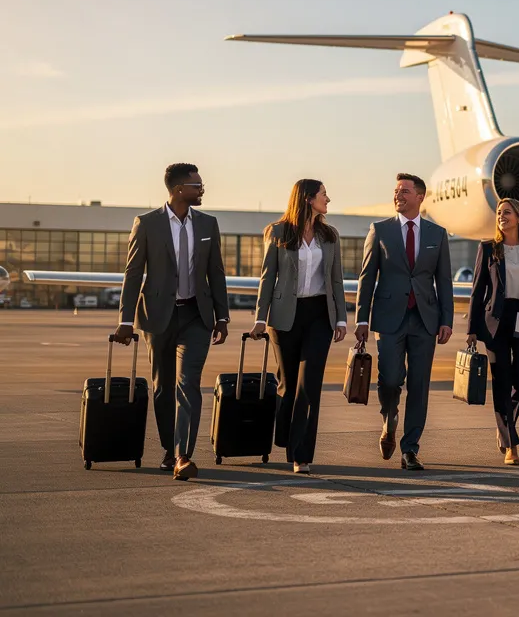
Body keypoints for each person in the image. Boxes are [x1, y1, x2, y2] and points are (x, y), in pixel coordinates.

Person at [110, 163, 229, 481]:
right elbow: (133, 273)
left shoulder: (208, 223)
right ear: (178, 190)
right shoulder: (147, 223)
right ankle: (169, 449)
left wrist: (222, 316)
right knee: (163, 388)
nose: (202, 190)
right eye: (197, 186)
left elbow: (215, 272)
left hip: (196, 316)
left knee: (188, 383)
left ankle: (182, 455)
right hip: (157, 316)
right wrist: (126, 321)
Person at [354, 173, 454, 472]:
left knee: (420, 385)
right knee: (390, 379)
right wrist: (361, 317)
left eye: (405, 191)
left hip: (425, 318)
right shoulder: (380, 230)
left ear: (420, 197)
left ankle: (410, 449)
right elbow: (366, 276)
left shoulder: (437, 234)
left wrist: (446, 320)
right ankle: (389, 417)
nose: (399, 195)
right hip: (389, 318)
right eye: (396, 191)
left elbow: (444, 281)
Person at [250, 180, 348, 474]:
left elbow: (336, 279)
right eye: (323, 195)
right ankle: (286, 436)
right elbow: (268, 277)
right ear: (308, 199)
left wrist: (341, 318)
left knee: (309, 385)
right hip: (284, 318)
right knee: (288, 385)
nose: (328, 198)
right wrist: (260, 317)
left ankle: (301, 455)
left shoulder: (330, 236)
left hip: (320, 315)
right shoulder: (278, 232)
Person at [465, 198, 519, 466]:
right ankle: (510, 444)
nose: (502, 216)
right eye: (499, 213)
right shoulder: (489, 248)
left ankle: (504, 424)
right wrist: (471, 330)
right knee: (501, 382)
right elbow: (478, 290)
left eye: (507, 212)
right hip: (495, 322)